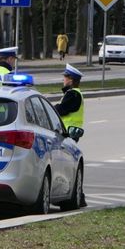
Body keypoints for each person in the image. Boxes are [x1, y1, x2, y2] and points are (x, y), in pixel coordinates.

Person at [54, 63, 86, 207]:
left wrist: (50, 109)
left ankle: (75, 196)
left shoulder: (73, 94)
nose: (63, 79)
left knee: (67, 165)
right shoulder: (72, 93)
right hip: (68, 133)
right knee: (69, 165)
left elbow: (62, 110)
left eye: (65, 77)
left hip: (68, 133)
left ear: (71, 80)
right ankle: (79, 196)